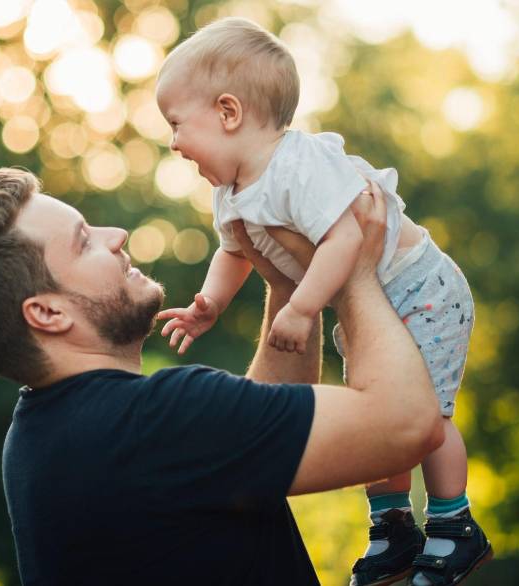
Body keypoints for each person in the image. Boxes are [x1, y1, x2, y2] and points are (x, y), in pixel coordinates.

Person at [0, 166, 444, 585]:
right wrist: (352, 268)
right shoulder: (156, 420)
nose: (116, 235)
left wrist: (287, 288)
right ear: (48, 313)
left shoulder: (43, 439)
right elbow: (407, 424)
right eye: (84, 242)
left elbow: (250, 436)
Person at [153, 16, 492, 586]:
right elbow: (234, 253)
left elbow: (346, 240)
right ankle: (393, 527)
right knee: (374, 409)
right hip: (373, 305)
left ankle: (454, 523)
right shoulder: (228, 193)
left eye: (176, 123)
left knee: (427, 412)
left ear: (228, 112)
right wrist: (210, 302)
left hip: (420, 288)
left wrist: (303, 308)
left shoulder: (298, 166)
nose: (173, 142)